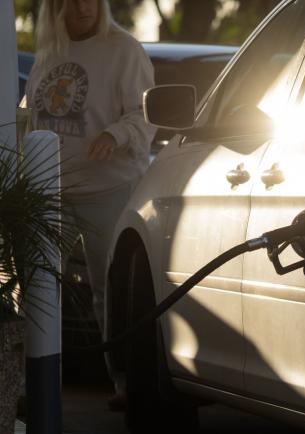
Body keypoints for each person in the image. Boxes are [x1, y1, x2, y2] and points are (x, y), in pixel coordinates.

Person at [24, 0, 155, 410]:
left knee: (107, 290)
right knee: (39, 285)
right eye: (73, 1)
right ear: (56, 9)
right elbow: (31, 118)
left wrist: (115, 134)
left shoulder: (124, 49)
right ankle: (36, 386)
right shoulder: (50, 51)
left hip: (109, 189)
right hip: (49, 192)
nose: (84, 8)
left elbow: (145, 114)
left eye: (91, 0)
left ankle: (125, 384)